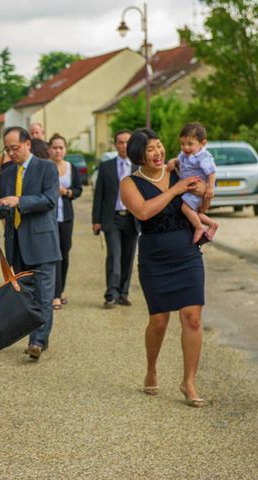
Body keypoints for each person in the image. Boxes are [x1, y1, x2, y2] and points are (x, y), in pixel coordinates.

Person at [120, 128, 208, 408]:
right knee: (159, 320)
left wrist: (204, 190)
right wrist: (176, 189)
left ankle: (189, 381)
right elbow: (144, 212)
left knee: (192, 317)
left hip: (187, 252)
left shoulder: (179, 169)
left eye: (160, 146)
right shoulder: (129, 183)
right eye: (151, 149)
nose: (158, 153)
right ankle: (151, 367)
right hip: (155, 257)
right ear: (139, 155)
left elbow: (202, 198)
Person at [0, 127, 60, 361]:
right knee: (25, 298)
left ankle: (37, 341)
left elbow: (49, 200)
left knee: (43, 296)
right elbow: (5, 207)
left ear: (28, 144)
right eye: (7, 149)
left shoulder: (47, 168)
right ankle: (36, 336)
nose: (10, 153)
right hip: (16, 243)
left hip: (42, 244)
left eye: (15, 148)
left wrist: (19, 200)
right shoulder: (8, 173)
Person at [92, 130, 139, 308]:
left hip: (132, 218)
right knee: (114, 255)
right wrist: (96, 220)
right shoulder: (106, 166)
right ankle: (111, 294)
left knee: (128, 256)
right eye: (120, 142)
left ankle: (123, 293)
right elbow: (99, 196)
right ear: (115, 144)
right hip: (111, 218)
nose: (124, 146)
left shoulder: (138, 167)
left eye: (127, 142)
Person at [48, 134, 82, 309]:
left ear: (65, 149)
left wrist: (66, 192)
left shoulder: (71, 167)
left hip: (66, 216)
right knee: (54, 255)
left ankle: (61, 289)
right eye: (55, 147)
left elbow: (78, 189)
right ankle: (55, 294)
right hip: (49, 217)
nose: (58, 150)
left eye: (61, 147)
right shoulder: (45, 167)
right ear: (49, 149)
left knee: (65, 252)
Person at [176, 122, 218, 244]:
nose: (185, 147)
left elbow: (211, 173)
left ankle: (200, 228)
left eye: (190, 144)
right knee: (195, 213)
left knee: (185, 208)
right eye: (182, 144)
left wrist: (210, 189)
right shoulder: (185, 154)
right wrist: (174, 162)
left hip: (197, 188)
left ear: (203, 143)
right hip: (190, 188)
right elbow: (180, 161)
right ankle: (212, 224)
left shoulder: (202, 157)